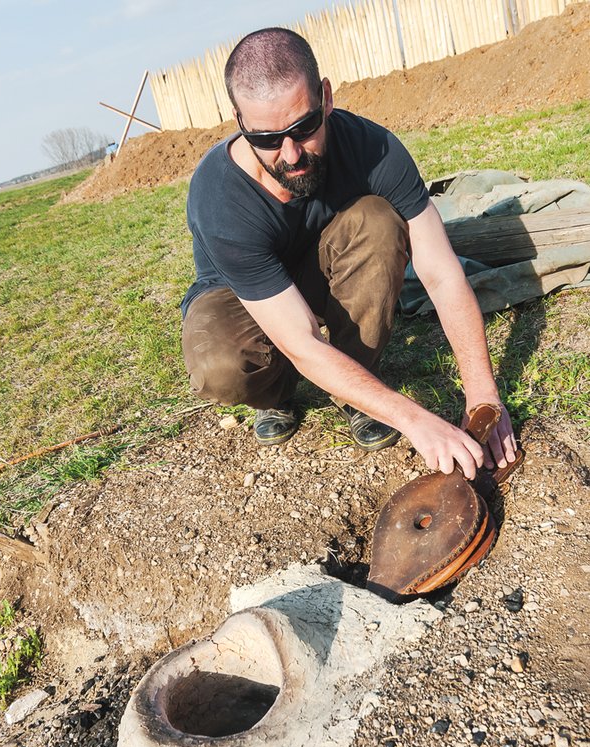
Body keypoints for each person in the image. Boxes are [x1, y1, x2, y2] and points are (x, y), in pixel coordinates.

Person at [180, 27, 517, 478]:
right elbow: (299, 340)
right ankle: (277, 396)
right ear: (240, 121)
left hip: (328, 263)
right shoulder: (219, 197)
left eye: (304, 127)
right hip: (242, 295)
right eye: (266, 138)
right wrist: (415, 419)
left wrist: (482, 397)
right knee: (220, 366)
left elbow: (440, 272)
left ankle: (357, 390)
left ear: (326, 97)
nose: (291, 153)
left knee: (379, 220)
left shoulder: (373, 148)